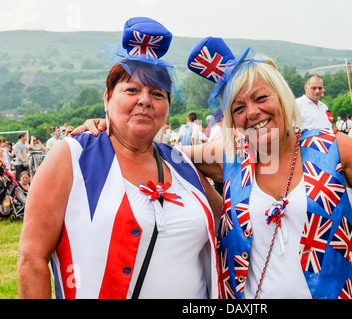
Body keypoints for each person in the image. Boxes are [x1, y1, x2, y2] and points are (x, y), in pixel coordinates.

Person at [77, 38, 352, 299]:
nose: (253, 113)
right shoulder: (229, 155)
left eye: (261, 98)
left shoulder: (333, 147)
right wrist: (107, 128)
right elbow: (156, 151)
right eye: (239, 107)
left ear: (282, 97)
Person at [18, 17, 221, 299]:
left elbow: (232, 221)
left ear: (166, 108)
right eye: (132, 90)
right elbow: (32, 258)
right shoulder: (73, 157)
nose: (145, 100)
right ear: (107, 98)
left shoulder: (181, 164)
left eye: (157, 93)